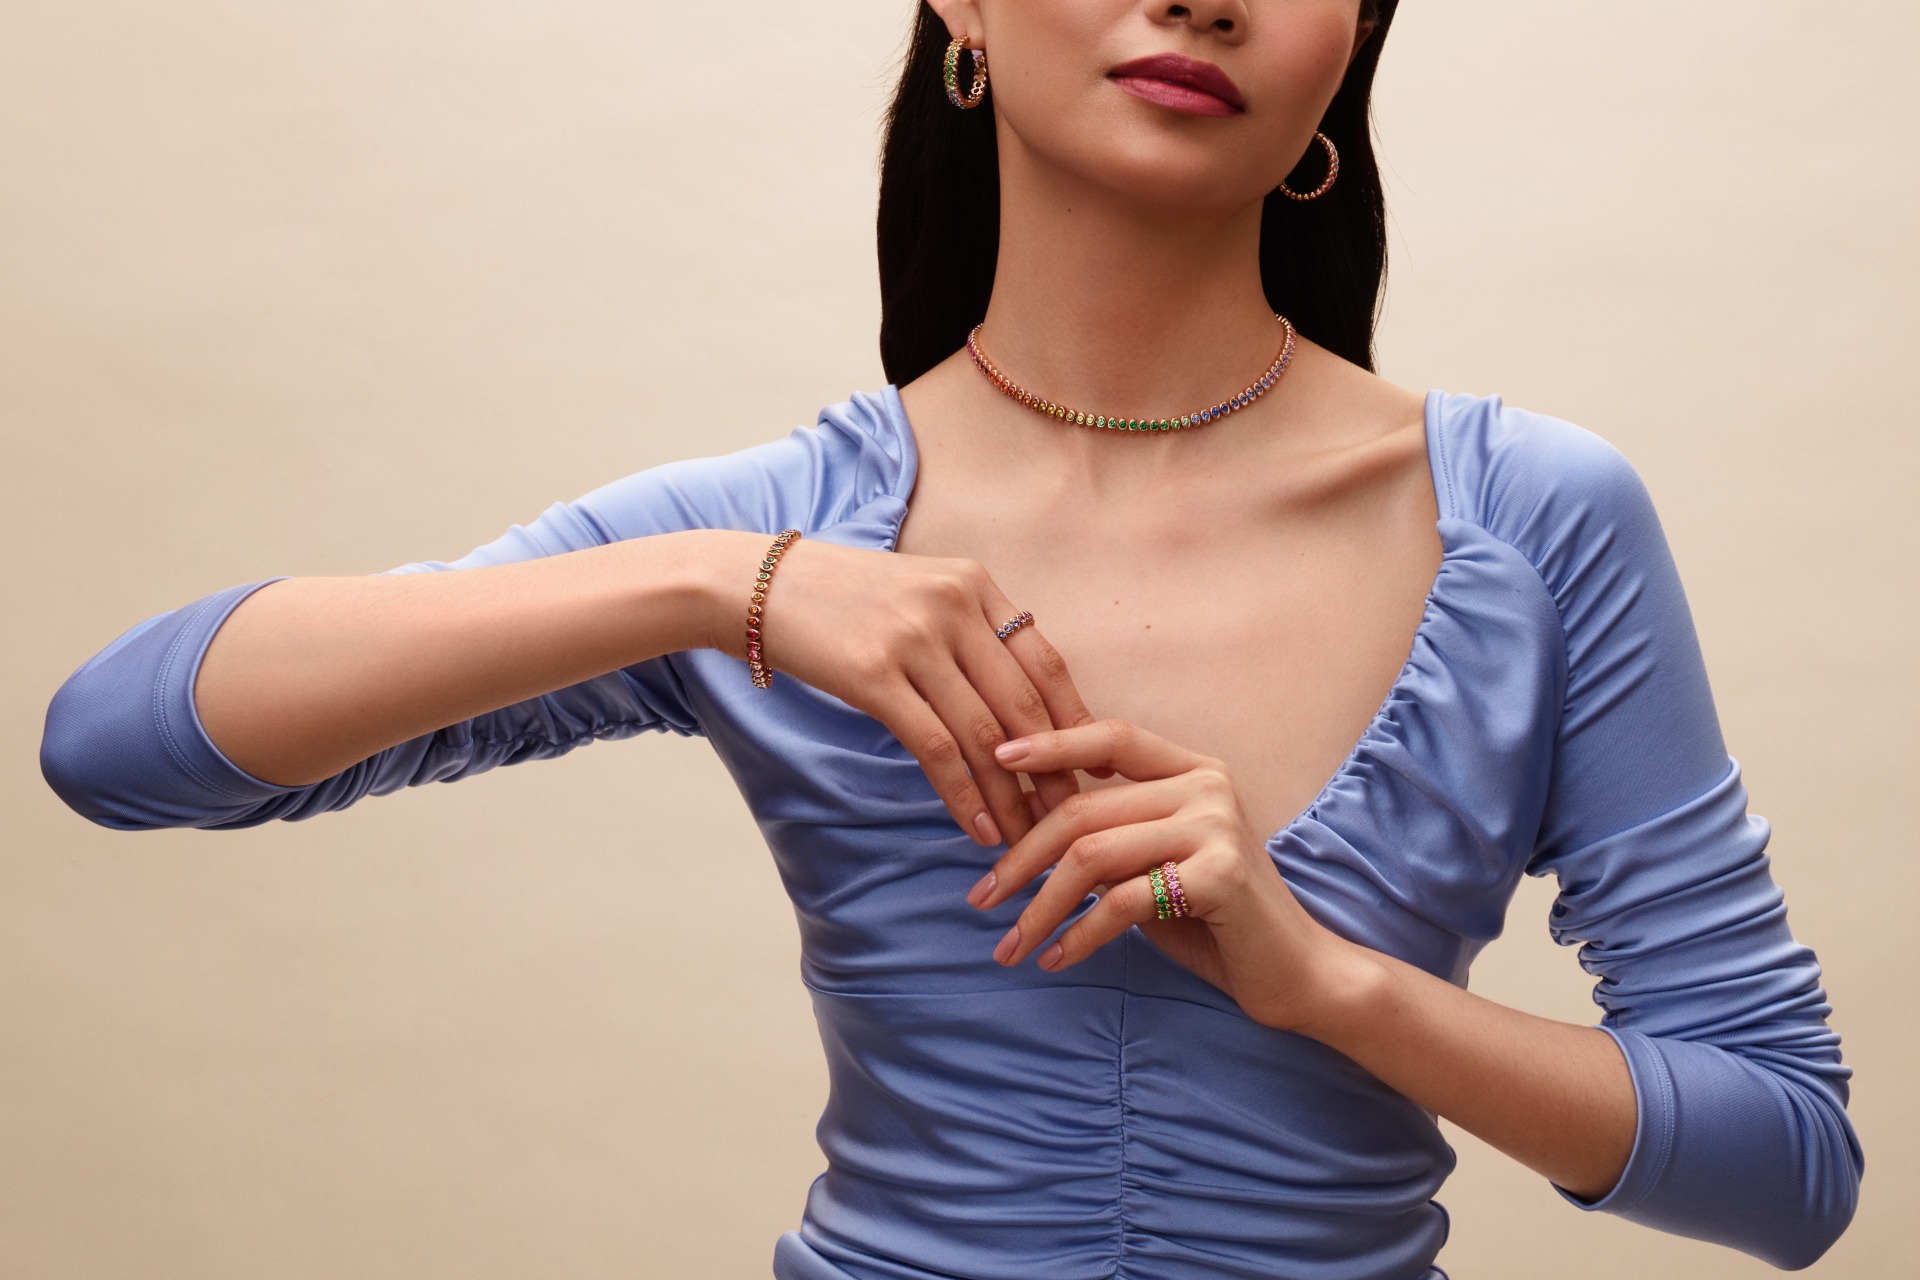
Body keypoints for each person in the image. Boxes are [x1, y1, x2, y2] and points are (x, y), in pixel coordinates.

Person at [39, 2, 1862, 1276]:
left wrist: (1330, 984)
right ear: (961, 8)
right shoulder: (782, 536)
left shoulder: (1531, 519)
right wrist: (720, 586)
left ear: (1354, 50)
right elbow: (115, 747)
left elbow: (1789, 1168)